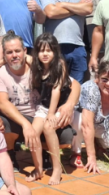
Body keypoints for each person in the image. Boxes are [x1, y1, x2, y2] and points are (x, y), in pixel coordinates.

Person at [0, 32, 80, 173]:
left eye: (17, 51)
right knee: (2, 123)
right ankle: (10, 154)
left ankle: (46, 152)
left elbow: (75, 85)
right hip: (19, 120)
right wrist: (26, 125)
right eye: (9, 52)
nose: (14, 55)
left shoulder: (38, 65)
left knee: (66, 137)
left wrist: (69, 105)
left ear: (25, 51)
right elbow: (2, 103)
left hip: (42, 114)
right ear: (4, 54)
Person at [27, 33, 81, 185]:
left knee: (48, 127)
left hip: (60, 108)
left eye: (49, 50)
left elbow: (56, 89)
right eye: (41, 50)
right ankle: (38, 169)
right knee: (33, 132)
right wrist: (1, 61)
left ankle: (57, 169)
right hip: (43, 107)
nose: (45, 54)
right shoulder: (37, 66)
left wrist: (51, 114)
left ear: (55, 51)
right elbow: (25, 57)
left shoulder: (60, 65)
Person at [41, 0, 93, 83]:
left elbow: (88, 9)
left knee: (77, 86)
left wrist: (62, 4)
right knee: (54, 84)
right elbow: (51, 12)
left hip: (78, 47)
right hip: (54, 46)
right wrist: (77, 8)